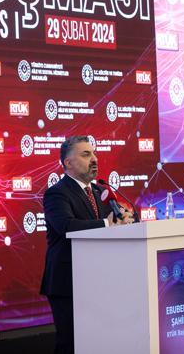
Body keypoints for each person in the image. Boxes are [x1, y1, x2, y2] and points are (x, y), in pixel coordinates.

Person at [39, 135, 134, 354]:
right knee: (71, 344)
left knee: (99, 342)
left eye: (94, 153)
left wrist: (126, 220)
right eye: (86, 154)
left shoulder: (100, 191)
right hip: (68, 282)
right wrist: (107, 224)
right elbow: (66, 226)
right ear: (68, 163)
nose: (94, 159)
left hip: (100, 281)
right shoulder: (56, 193)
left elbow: (115, 223)